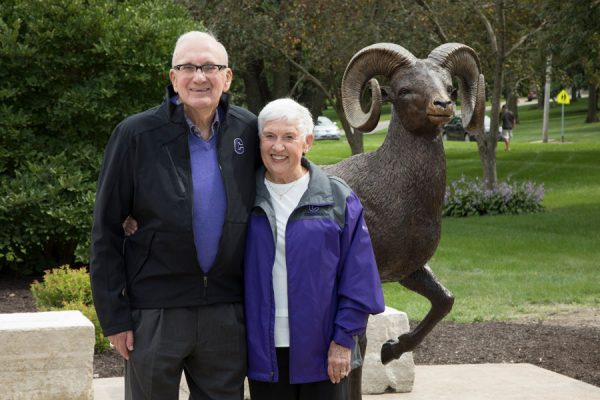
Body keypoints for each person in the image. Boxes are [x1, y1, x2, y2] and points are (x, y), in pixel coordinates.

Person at [90, 31, 258, 400]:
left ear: (227, 77)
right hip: (155, 313)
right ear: (173, 77)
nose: (199, 76)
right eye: (187, 67)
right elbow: (105, 229)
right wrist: (115, 318)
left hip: (225, 311)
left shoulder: (249, 130)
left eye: (210, 67)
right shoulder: (136, 134)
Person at [244, 98, 385, 400]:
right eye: (269, 136)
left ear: (307, 142)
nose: (277, 147)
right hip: (263, 351)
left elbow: (359, 278)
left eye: (288, 137)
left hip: (324, 350)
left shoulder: (337, 197)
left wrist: (343, 340)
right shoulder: (242, 195)